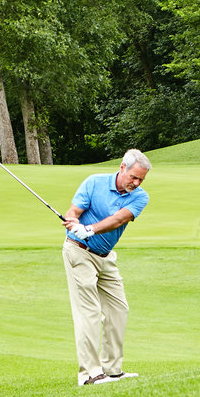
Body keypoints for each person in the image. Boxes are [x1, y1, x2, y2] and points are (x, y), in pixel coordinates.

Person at [62, 148, 151, 385]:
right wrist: (74, 221)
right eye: (134, 176)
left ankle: (112, 370)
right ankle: (90, 375)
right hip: (78, 252)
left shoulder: (140, 196)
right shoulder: (93, 183)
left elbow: (119, 219)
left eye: (141, 179)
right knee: (88, 311)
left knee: (118, 309)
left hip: (105, 256)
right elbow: (74, 211)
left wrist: (90, 229)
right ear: (122, 167)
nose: (137, 182)